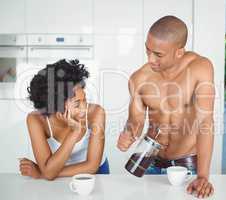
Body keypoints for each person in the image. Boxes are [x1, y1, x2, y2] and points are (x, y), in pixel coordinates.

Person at [117, 16, 215, 198]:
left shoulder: (200, 68)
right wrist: (128, 134)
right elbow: (135, 122)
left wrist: (203, 175)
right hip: (149, 163)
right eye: (148, 51)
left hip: (187, 166)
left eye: (158, 55)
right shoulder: (139, 78)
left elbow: (205, 122)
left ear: (179, 52)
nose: (150, 59)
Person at [19, 59, 109, 180]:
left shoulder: (97, 113)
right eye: (77, 104)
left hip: (95, 174)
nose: (84, 108)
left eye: (85, 100)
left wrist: (43, 173)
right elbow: (49, 173)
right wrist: (74, 132)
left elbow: (92, 166)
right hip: (57, 176)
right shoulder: (36, 120)